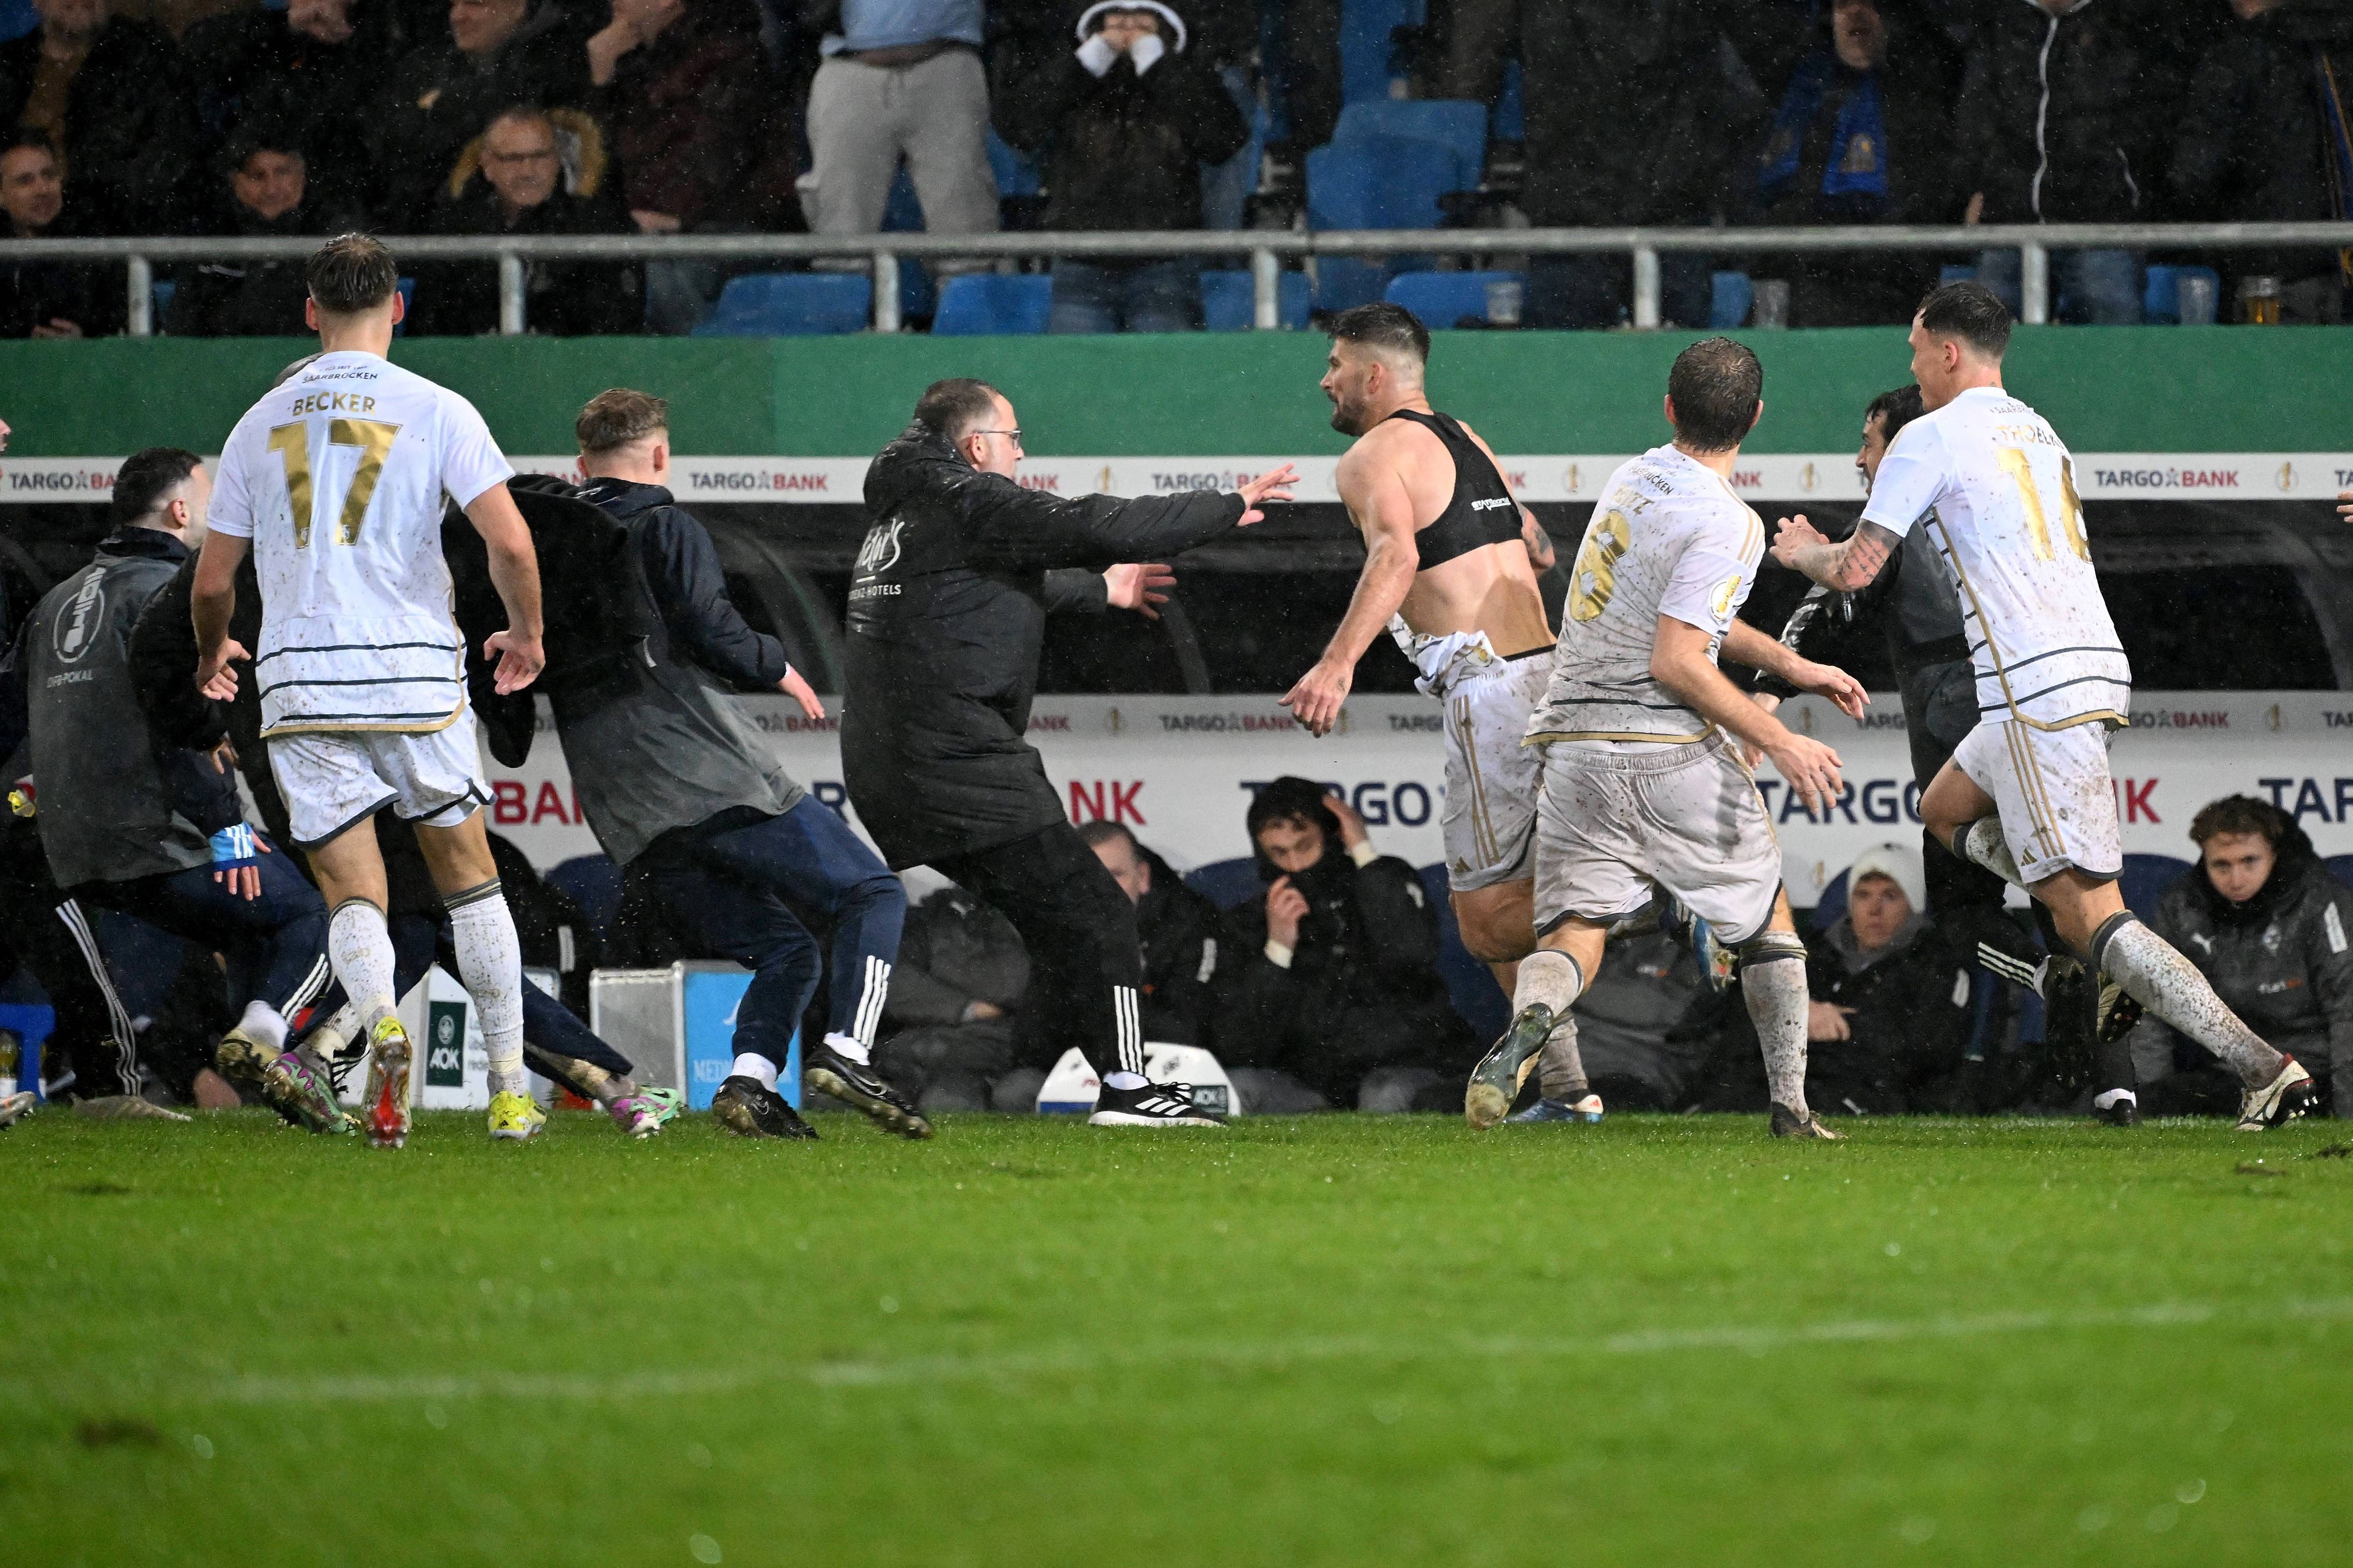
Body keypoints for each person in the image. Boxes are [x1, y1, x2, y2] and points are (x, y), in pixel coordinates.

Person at [1770, 280, 2318, 1132]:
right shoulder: (2039, 428)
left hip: (2035, 687)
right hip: (2075, 670)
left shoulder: (1928, 435)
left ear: (1948, 352)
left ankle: (2262, 1066)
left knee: (2093, 911)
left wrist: (1807, 550)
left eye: (1916, 351)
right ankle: (2086, 939)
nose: (1912, 369)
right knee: (1942, 809)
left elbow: (1858, 569)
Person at [842, 376, 1293, 1127]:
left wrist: (1099, 593)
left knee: (1062, 925)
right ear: (976, 445)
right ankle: (1126, 1087)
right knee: (1099, 912)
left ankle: (843, 1050)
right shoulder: (970, 498)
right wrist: (1223, 505)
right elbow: (1097, 522)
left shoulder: (909, 511)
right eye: (1015, 439)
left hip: (896, 765)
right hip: (958, 761)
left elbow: (981, 590)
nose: (1021, 454)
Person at [192, 233, 551, 1148]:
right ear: (398, 307)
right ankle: (511, 1093)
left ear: (310, 312)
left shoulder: (256, 422)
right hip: (413, 671)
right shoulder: (436, 407)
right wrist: (526, 634)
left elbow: (211, 584)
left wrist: (210, 654)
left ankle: (381, 1018)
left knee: (354, 892)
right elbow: (509, 543)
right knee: (471, 883)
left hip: (303, 678)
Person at [1469, 336, 1869, 1140]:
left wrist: (1794, 662)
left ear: (1667, 406)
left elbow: (1688, 616)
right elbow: (1679, 657)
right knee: (1767, 925)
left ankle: (1531, 1019)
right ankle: (1792, 1107)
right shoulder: (1731, 521)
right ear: (1756, 418)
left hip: (1574, 743)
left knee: (1574, 929)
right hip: (1659, 744)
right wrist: (1780, 739)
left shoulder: (1634, 477)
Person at [550, 387, 927, 1140]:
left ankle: (750, 1083)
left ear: (578, 463)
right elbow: (711, 626)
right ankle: (849, 1052)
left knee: (787, 949)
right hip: (704, 773)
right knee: (874, 893)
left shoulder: (550, 542)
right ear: (659, 455)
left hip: (623, 806)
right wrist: (780, 667)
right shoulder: (663, 522)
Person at [1748, 383, 2132, 1112]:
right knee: (2079, 902)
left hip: (1962, 716)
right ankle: (2119, 1086)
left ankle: (2051, 982)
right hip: (2056, 705)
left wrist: (1768, 695)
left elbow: (1824, 607)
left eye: (1868, 442)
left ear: (1903, 447)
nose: (1859, 458)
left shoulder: (1895, 524)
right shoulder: (2000, 507)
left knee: (1962, 912)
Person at [2, 448, 348, 1130]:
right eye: (209, 497)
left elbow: (12, 709)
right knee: (322, 915)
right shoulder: (178, 592)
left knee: (246, 929)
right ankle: (263, 1037)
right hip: (160, 832)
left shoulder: (55, 599)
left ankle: (132, 1086)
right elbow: (182, 719)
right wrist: (228, 825)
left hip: (63, 842)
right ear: (181, 511)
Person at [1283, 302, 1555, 999]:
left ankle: (1653, 906)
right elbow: (1537, 546)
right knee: (1524, 896)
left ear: (1373, 375)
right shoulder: (1465, 437)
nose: (1325, 380)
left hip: (1490, 692)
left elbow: (1395, 557)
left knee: (1488, 926)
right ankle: (1561, 1088)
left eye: (1334, 364)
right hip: (1550, 675)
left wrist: (1336, 662)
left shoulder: (1367, 458)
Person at [1212, 779, 1472, 1112]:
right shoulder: (1253, 919)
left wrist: (1361, 847)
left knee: (1383, 1093)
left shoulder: (1385, 880)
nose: (1294, 864)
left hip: (1404, 1069)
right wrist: (1277, 950)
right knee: (1237, 1089)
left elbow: (1412, 952)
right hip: (1311, 1088)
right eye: (1278, 853)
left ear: (1332, 835)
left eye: (1305, 846)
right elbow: (1240, 1043)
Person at [994, 1, 1248, 333]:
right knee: (1075, 377)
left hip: (1165, 264)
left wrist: (1159, 66)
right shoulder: (1074, 80)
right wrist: (1088, 62)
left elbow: (1223, 140)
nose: (1129, 26)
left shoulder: (1188, 77)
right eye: (1118, 16)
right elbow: (1019, 127)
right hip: (1079, 263)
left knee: (1163, 375)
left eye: (1142, 17)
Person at [1957, 0, 2208, 326]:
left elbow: (2154, 127)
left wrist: (2134, 195)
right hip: (2008, 223)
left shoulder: (2127, 26)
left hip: (2101, 228)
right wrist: (1975, 188)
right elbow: (1973, 120)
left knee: (2112, 357)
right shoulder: (2002, 26)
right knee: (1984, 355)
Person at [2129, 797, 2353, 1119]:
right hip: (2230, 1075)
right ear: (2204, 860)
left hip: (2314, 1076)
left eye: (2250, 861)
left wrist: (2349, 1116)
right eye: (2222, 865)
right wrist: (2148, 1094)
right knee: (2153, 1103)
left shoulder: (2321, 902)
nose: (2236, 879)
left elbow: (2347, 1010)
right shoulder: (2181, 908)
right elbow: (2151, 1006)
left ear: (2274, 855)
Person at [588, 0, 800, 335]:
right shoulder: (626, 59)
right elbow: (595, 163)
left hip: (737, 226)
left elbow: (717, 158)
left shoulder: (731, 56)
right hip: (647, 226)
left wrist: (674, 218)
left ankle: (695, 371)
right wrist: (599, 76)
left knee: (657, 276)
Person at [1746, 0, 1958, 326]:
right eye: (1844, 4)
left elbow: (1928, 196)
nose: (1856, 13)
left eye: (1870, 3)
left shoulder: (1920, 93)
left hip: (1896, 290)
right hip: (1812, 286)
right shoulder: (1804, 91)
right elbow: (1783, 200)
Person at [2171, 0, 2353, 323]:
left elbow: (2194, 175)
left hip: (2273, 270)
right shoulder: (2337, 45)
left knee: (2273, 373)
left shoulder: (2239, 57)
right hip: (2338, 263)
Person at [415, 105, 641, 337]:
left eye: (540, 156)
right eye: (513, 159)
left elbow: (616, 331)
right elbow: (430, 329)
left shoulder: (598, 225)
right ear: (488, 165)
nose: (528, 171)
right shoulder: (454, 229)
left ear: (557, 160)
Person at [799, 0, 996, 263]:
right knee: (840, 231)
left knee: (964, 226)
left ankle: (968, 301)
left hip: (947, 64)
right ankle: (842, 301)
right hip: (847, 68)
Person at [369, 0, 593, 230]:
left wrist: (445, 104)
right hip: (437, 234)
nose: (458, 16)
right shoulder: (422, 68)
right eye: (453, 5)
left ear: (517, 8)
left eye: (475, 4)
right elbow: (396, 149)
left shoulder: (558, 60)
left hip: (552, 233)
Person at [1797, 843, 1974, 1116]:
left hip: (1880, 1096)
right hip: (1796, 1085)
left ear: (1914, 903)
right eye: (1863, 895)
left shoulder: (1938, 963)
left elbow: (1931, 1050)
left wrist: (1844, 1027)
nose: (1874, 909)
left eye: (1890, 896)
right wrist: (1799, 1012)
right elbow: (1745, 1018)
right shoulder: (1811, 954)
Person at [0, 0, 195, 232]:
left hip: (107, 235)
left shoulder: (146, 59)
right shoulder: (8, 66)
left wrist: (81, 210)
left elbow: (168, 156)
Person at [181, 0, 386, 219]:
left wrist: (348, 40)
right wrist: (284, 26)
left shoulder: (383, 39)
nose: (272, 189)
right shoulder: (250, 38)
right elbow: (198, 54)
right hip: (235, 223)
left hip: (337, 219)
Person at [166, 136, 350, 338]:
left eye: (282, 173)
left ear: (301, 174)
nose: (272, 189)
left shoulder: (334, 233)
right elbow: (186, 328)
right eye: (257, 176)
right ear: (236, 181)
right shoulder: (212, 237)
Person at [1078, 818, 1218, 1046]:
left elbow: (1189, 1030)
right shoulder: (1058, 928)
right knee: (1024, 1082)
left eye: (1115, 876)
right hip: (1081, 1070)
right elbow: (1033, 1041)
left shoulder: (1187, 922)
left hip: (1173, 1068)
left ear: (1142, 877)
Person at [1, 129, 120, 338]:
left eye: (49, 175)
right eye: (25, 181)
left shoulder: (97, 246)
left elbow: (132, 329)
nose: (43, 190)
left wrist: (84, 340)